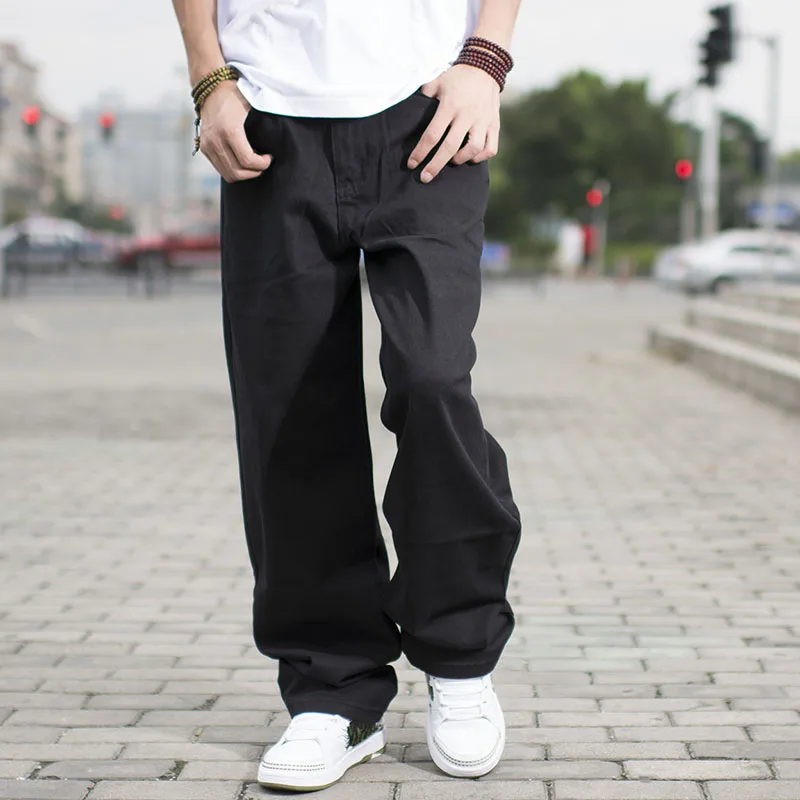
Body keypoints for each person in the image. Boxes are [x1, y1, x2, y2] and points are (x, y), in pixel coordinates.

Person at [172, 0, 523, 791]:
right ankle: (335, 692)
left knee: (433, 378)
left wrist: (487, 60)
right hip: (269, 114)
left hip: (427, 109)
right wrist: (209, 80)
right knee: (291, 410)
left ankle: (460, 655)